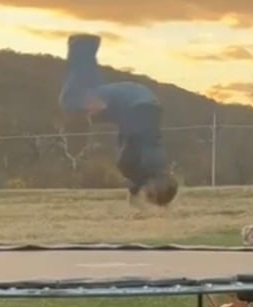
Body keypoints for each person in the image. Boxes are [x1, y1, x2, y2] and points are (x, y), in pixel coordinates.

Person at [58, 33, 178, 208]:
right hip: (139, 105)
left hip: (140, 105)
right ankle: (83, 46)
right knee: (70, 99)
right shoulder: (150, 164)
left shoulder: (149, 166)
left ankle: (85, 46)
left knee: (76, 96)